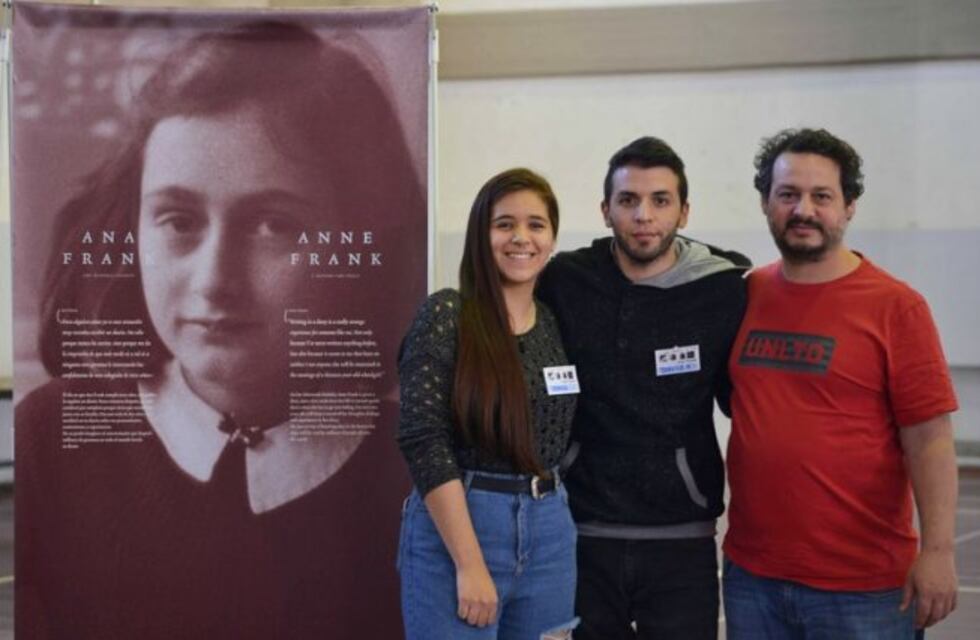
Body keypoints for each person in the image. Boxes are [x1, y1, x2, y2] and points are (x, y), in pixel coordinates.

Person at [15, 20, 425, 640]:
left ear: (356, 241)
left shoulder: (412, 465)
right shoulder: (49, 440)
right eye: (178, 220)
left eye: (273, 225)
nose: (214, 281)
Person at [723, 127, 959, 639]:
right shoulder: (746, 293)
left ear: (849, 206)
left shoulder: (897, 306)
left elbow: (931, 438)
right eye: (788, 195)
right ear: (766, 203)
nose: (803, 210)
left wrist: (938, 552)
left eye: (821, 196)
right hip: (752, 576)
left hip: (864, 588)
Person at [536, 136, 750, 639]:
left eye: (660, 200)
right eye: (628, 201)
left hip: (682, 537)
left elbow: (743, 398)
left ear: (685, 210)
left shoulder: (725, 285)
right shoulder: (565, 280)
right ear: (605, 210)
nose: (643, 215)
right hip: (584, 532)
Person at [396, 168, 579, 640]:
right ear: (482, 233)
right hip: (462, 528)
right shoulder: (447, 315)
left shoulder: (557, 323)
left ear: (553, 238)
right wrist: (470, 564)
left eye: (536, 224)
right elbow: (423, 440)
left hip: (551, 532)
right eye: (505, 224)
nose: (521, 237)